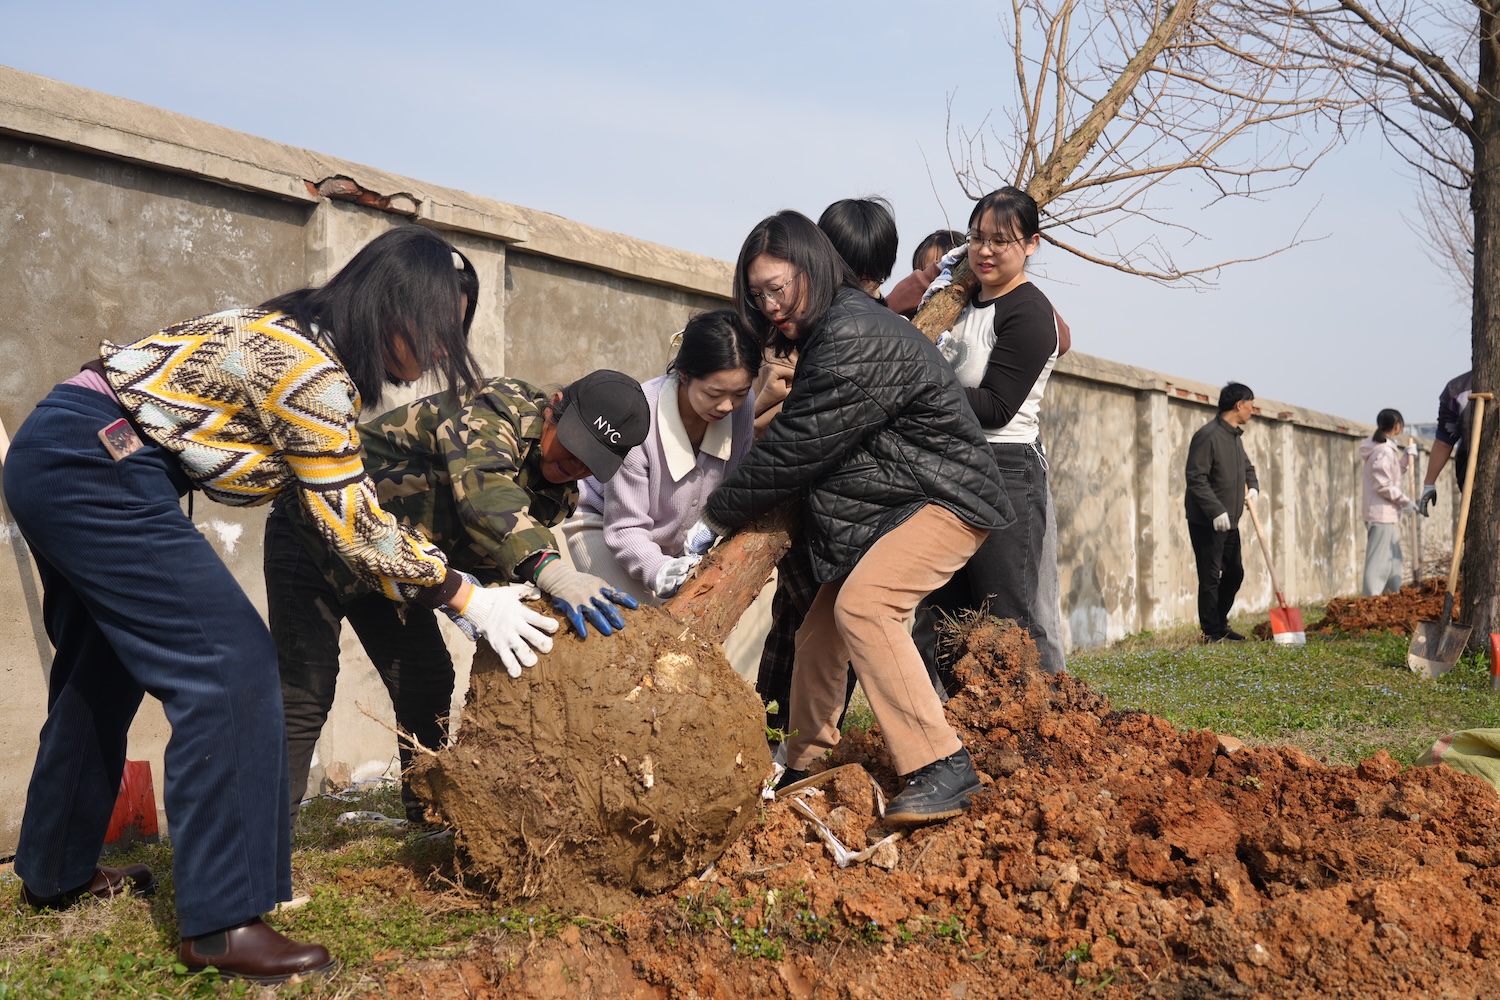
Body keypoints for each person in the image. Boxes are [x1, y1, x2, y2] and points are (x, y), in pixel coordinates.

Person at [1, 226, 544, 982]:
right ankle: (223, 922)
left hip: (74, 449)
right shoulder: (309, 370)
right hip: (103, 461)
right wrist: (465, 593)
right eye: (438, 332)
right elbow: (355, 524)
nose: (442, 353)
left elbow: (340, 519)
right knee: (231, 667)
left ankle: (53, 871)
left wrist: (447, 595)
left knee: (104, 669)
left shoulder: (298, 337)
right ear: (393, 307)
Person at [686, 211, 1010, 825]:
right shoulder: (830, 330)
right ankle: (805, 762)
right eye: (757, 295)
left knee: (866, 607)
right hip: (896, 504)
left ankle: (943, 765)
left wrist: (713, 516)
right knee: (818, 632)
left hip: (944, 499)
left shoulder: (853, 333)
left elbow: (800, 444)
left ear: (811, 267)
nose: (769, 304)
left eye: (777, 287)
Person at [269, 369, 649, 824]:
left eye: (593, 461)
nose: (576, 465)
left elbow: (489, 558)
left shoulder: (556, 495)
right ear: (555, 408)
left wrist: (508, 613)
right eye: (574, 445)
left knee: (425, 680)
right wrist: (554, 571)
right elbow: (486, 495)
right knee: (305, 690)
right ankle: (263, 851)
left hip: (398, 566)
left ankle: (425, 814)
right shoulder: (496, 406)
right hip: (319, 532)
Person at [918, 187, 1064, 674]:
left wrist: (918, 387)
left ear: (1031, 245)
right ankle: (963, 732)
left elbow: (996, 407)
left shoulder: (1029, 312)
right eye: (977, 237)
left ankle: (1037, 730)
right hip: (946, 467)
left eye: (1001, 241)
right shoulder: (954, 301)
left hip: (1004, 470)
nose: (984, 250)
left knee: (1008, 615)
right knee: (945, 612)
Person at [563, 311, 757, 603]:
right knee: (637, 634)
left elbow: (737, 484)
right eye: (713, 393)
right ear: (684, 373)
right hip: (607, 529)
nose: (727, 405)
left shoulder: (742, 407)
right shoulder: (639, 420)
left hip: (679, 548)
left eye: (740, 393)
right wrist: (660, 569)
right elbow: (625, 528)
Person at [1185, 382, 1261, 642]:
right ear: (1238, 405)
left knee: (1235, 573)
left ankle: (1220, 621)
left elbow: (1247, 467)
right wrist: (1215, 510)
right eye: (1251, 405)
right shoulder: (1208, 435)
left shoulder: (1234, 436)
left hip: (1231, 521)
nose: (1253, 410)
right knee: (1210, 577)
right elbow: (1196, 477)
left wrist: (1254, 488)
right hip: (1208, 522)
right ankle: (1211, 632)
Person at [1359, 408, 1414, 596]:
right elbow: (1383, 485)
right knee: (1378, 564)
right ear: (1397, 426)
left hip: (1387, 515)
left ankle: (1392, 598)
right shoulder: (1382, 451)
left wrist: (1406, 459)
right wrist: (1405, 500)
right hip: (1380, 515)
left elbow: (1392, 473)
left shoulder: (1384, 449)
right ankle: (1371, 601)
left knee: (1394, 560)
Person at [1418, 370, 1474, 517]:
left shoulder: (1458, 387)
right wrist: (1429, 483)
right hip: (1474, 479)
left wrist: (1429, 484)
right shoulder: (1457, 390)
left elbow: (1444, 441)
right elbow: (1445, 441)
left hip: (1473, 482)